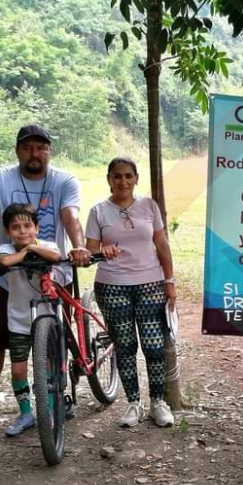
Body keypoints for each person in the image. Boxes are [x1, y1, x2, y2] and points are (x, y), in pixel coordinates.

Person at [0, 124, 89, 437]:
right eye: (27, 147)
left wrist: (79, 246)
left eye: (41, 147)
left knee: (57, 340)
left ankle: (59, 396)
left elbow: (70, 217)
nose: (35, 153)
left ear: (49, 151)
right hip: (10, 279)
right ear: (17, 151)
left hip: (52, 277)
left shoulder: (64, 180)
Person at [86, 157, 176, 428]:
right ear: (109, 179)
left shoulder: (149, 206)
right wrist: (102, 251)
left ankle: (158, 402)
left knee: (153, 345)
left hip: (151, 284)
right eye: (117, 176)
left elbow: (161, 242)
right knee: (124, 347)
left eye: (128, 176)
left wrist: (169, 280)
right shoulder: (98, 211)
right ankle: (133, 403)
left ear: (136, 178)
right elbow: (90, 250)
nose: (123, 181)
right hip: (112, 286)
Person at [0, 204, 62, 433]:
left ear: (37, 227)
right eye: (16, 228)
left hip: (46, 317)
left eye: (27, 226)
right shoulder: (6, 248)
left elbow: (55, 256)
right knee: (18, 370)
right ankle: (25, 414)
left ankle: (49, 411)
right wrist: (25, 252)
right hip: (18, 319)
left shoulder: (47, 245)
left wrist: (32, 247)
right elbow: (5, 262)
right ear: (7, 231)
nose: (22, 231)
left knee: (47, 367)